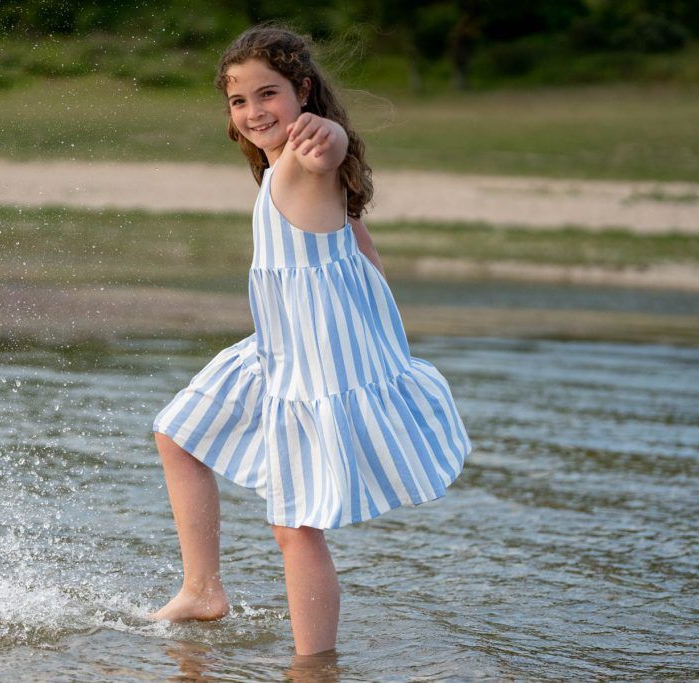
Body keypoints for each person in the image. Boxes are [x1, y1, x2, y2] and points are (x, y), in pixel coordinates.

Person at [147, 23, 473, 656]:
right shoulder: (277, 170)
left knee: (296, 528)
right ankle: (202, 589)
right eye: (238, 101)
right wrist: (381, 330)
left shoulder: (305, 156)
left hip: (316, 366)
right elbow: (362, 245)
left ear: (302, 90)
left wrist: (331, 135)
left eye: (267, 94)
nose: (253, 111)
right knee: (177, 433)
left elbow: (328, 149)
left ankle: (313, 664)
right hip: (277, 349)